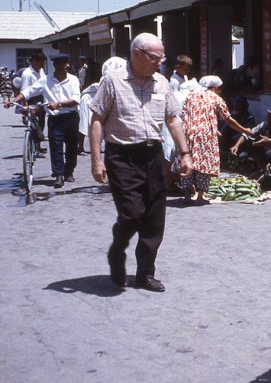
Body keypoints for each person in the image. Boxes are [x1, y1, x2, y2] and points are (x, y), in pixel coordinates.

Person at [89, 33, 193, 293]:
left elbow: (173, 120)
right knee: (132, 214)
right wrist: (96, 160)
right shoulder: (113, 81)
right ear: (137, 54)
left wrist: (185, 153)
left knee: (155, 219)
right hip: (122, 156)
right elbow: (97, 119)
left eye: (162, 58)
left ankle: (145, 273)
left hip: (153, 156)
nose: (160, 63)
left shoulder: (162, 83)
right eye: (155, 58)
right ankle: (117, 251)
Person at [5, 54, 81, 188]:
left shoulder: (73, 79)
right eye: (62, 63)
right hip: (55, 119)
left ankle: (69, 171)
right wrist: (14, 101)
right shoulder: (46, 80)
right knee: (56, 146)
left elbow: (75, 99)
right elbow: (29, 91)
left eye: (66, 63)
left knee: (72, 147)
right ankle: (58, 174)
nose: (66, 66)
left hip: (71, 117)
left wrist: (59, 104)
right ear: (56, 65)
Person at [180, 75, 252, 203]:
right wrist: (245, 130)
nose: (220, 91)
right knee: (203, 164)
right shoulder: (216, 98)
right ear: (215, 88)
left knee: (189, 162)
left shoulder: (191, 95)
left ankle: (187, 195)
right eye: (219, 89)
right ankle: (200, 196)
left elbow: (185, 115)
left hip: (188, 133)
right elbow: (229, 119)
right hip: (205, 135)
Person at [19, 53, 47, 153]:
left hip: (41, 99)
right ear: (35, 61)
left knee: (41, 122)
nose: (42, 64)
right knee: (34, 124)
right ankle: (33, 146)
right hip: (31, 100)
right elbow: (24, 91)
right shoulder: (27, 74)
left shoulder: (41, 70)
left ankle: (38, 146)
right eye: (41, 62)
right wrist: (25, 107)